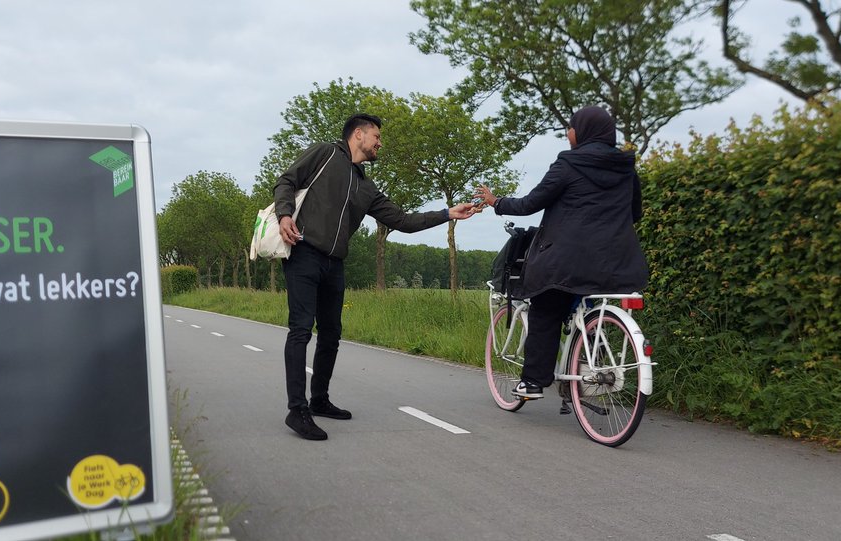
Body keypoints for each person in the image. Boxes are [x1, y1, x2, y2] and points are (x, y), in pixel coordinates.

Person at [273, 113, 478, 440]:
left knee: (331, 333)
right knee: (300, 329)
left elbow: (403, 220)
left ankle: (319, 400)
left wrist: (447, 214)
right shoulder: (325, 153)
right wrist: (285, 214)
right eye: (377, 137)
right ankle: (296, 410)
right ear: (358, 134)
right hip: (303, 252)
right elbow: (286, 180)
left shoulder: (365, 186)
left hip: (334, 262)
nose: (380, 143)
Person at [474, 105, 649, 399]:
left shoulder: (569, 164)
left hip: (568, 261)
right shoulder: (625, 168)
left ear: (580, 132)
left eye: (570, 127)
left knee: (546, 309)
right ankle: (585, 357)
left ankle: (532, 382)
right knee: (587, 302)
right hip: (616, 262)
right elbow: (635, 213)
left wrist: (496, 201)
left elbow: (531, 203)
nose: (568, 133)